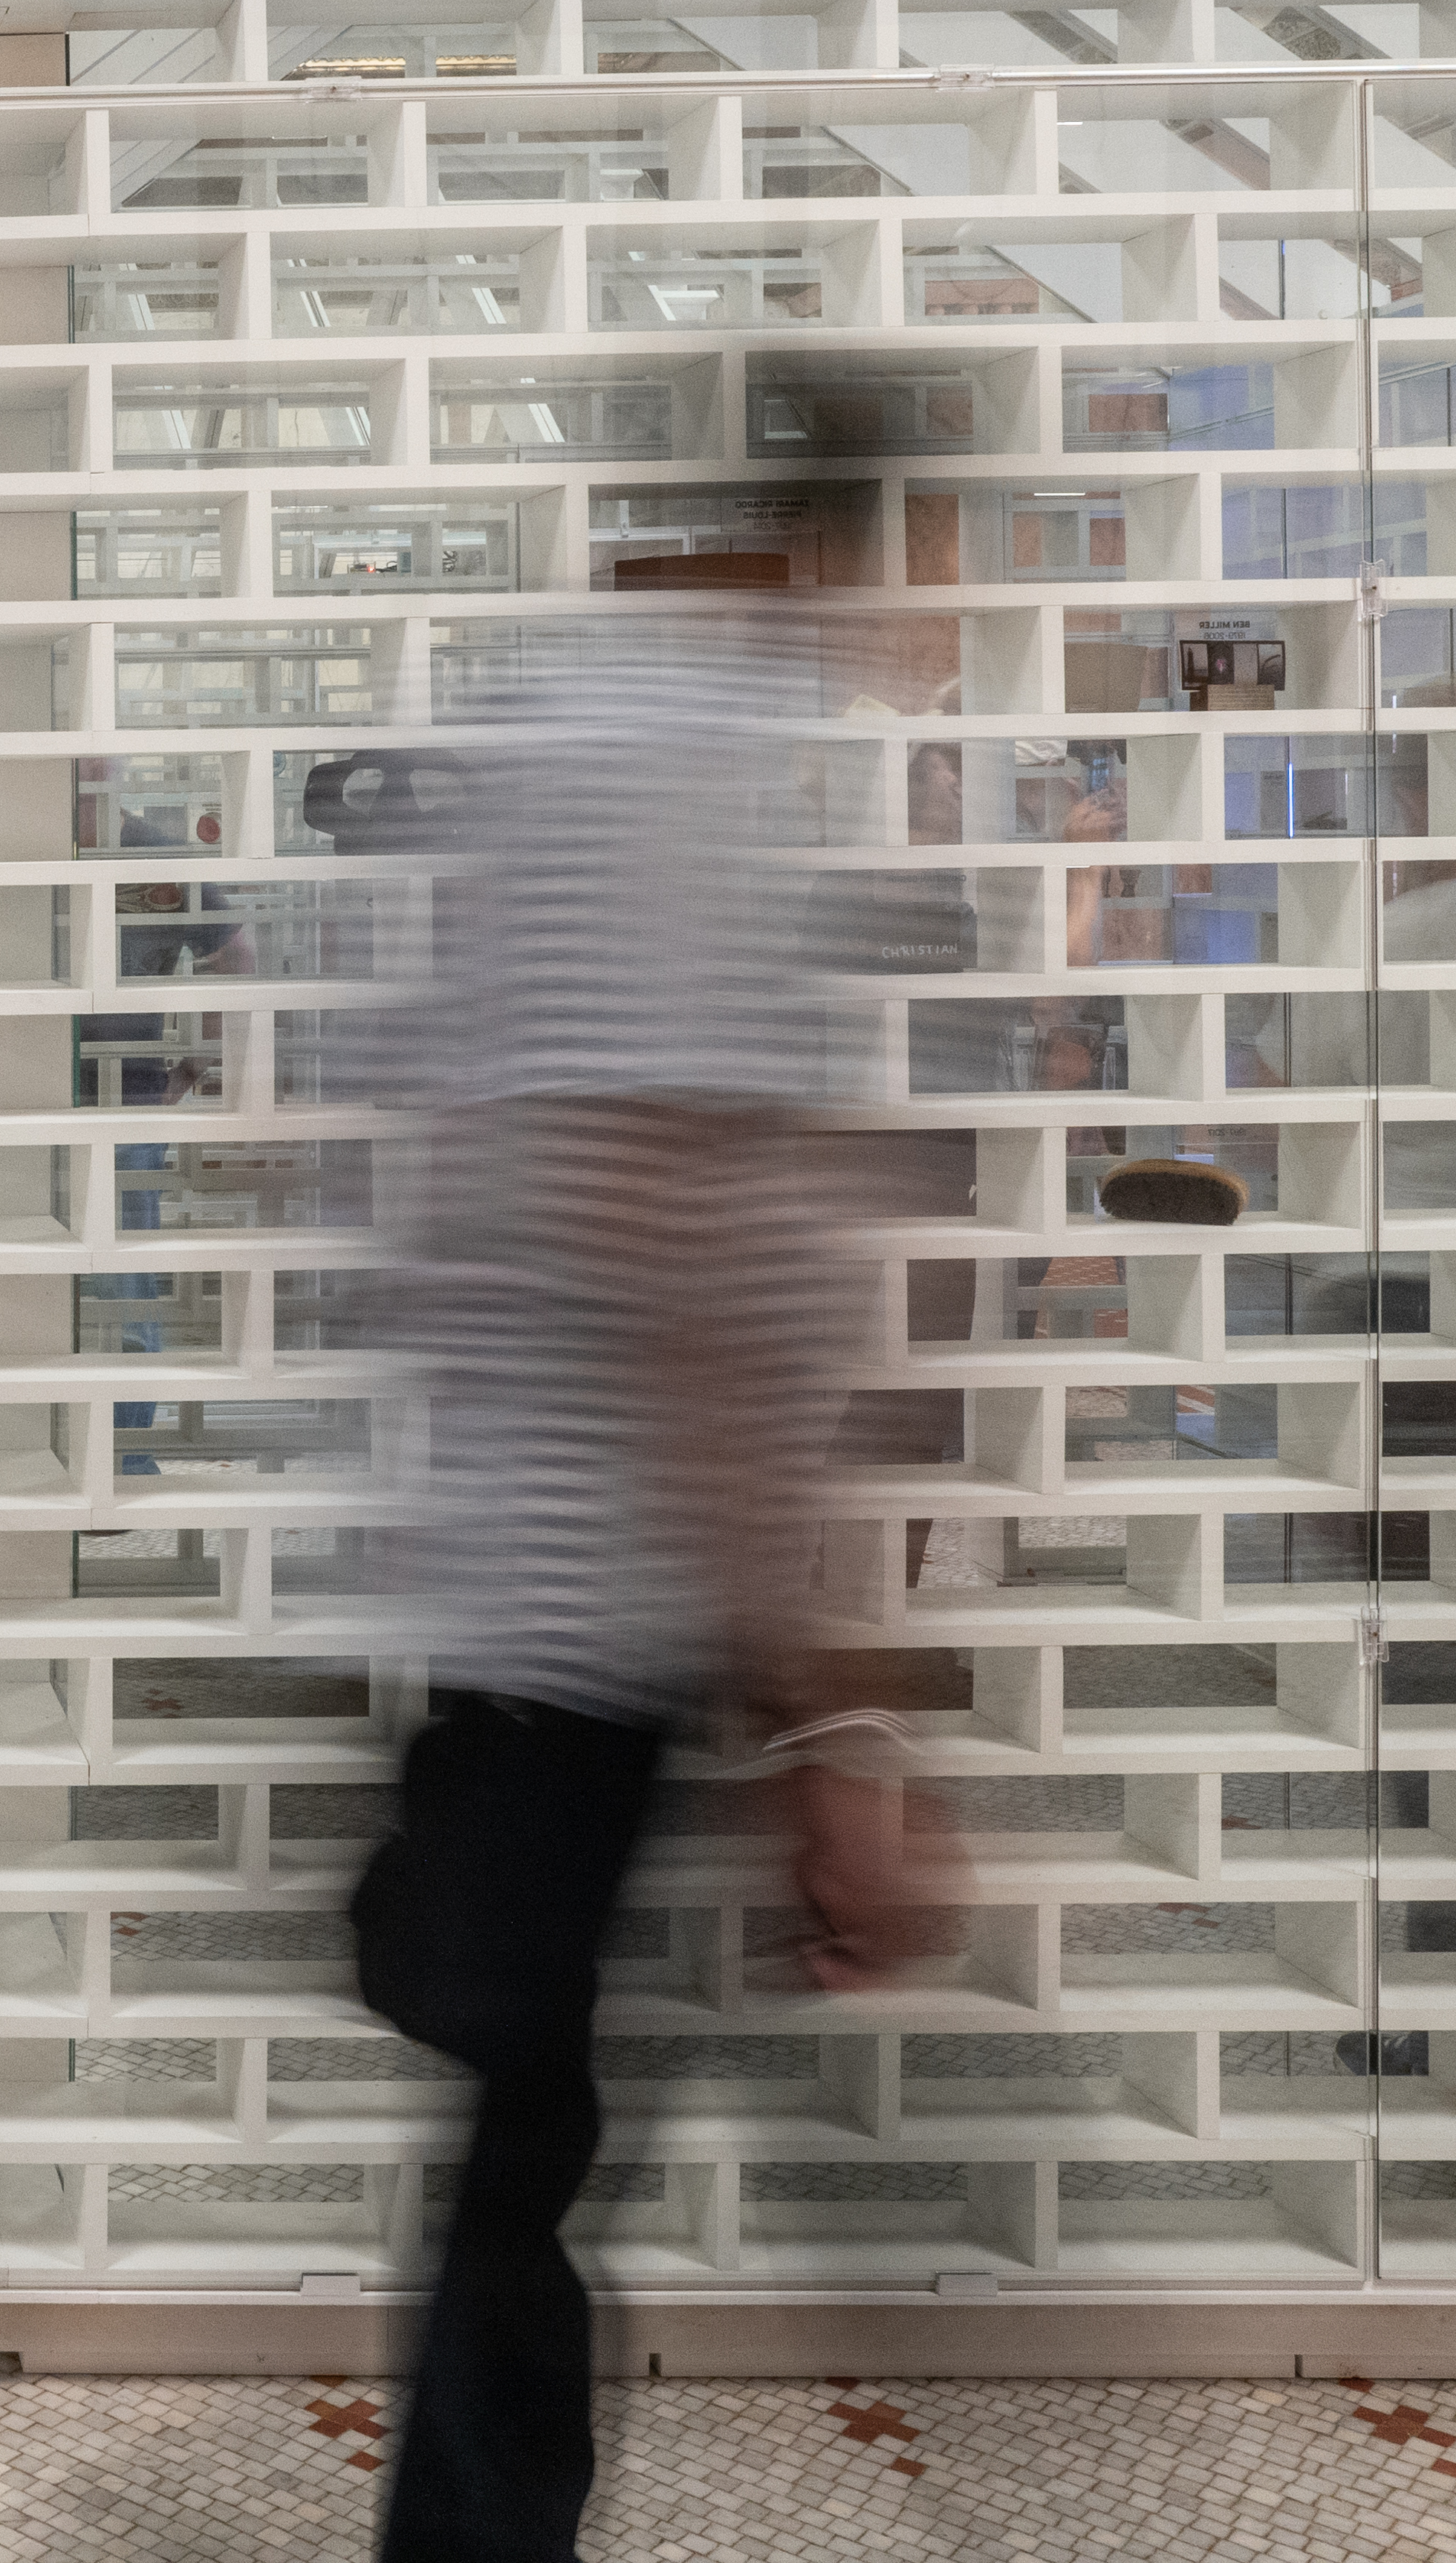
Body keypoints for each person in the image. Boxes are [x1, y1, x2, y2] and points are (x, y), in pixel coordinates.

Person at [346, 602, 940, 2563]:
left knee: (524, 2158)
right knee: (522, 2161)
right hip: (585, 1597)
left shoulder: (593, 742)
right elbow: (653, 1219)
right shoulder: (661, 765)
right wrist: (829, 1704)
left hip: (552, 1588)